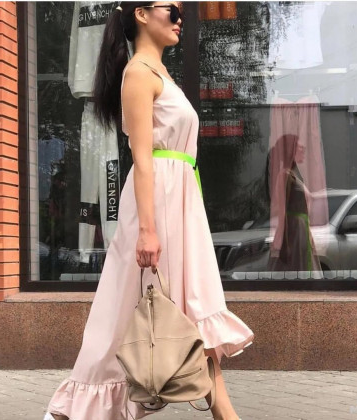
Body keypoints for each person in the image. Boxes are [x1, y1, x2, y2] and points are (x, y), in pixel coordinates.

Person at [44, 2, 254, 419]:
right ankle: (75, 409)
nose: (180, 17)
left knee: (188, 314)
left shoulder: (159, 73)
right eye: (171, 9)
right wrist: (147, 230)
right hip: (157, 204)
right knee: (125, 317)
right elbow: (142, 158)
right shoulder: (138, 73)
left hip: (179, 202)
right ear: (142, 14)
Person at [266, 134, 322, 273]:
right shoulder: (284, 176)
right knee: (295, 269)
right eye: (298, 146)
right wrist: (282, 242)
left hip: (301, 231)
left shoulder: (293, 175)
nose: (303, 148)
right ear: (291, 150)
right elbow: (282, 211)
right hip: (294, 232)